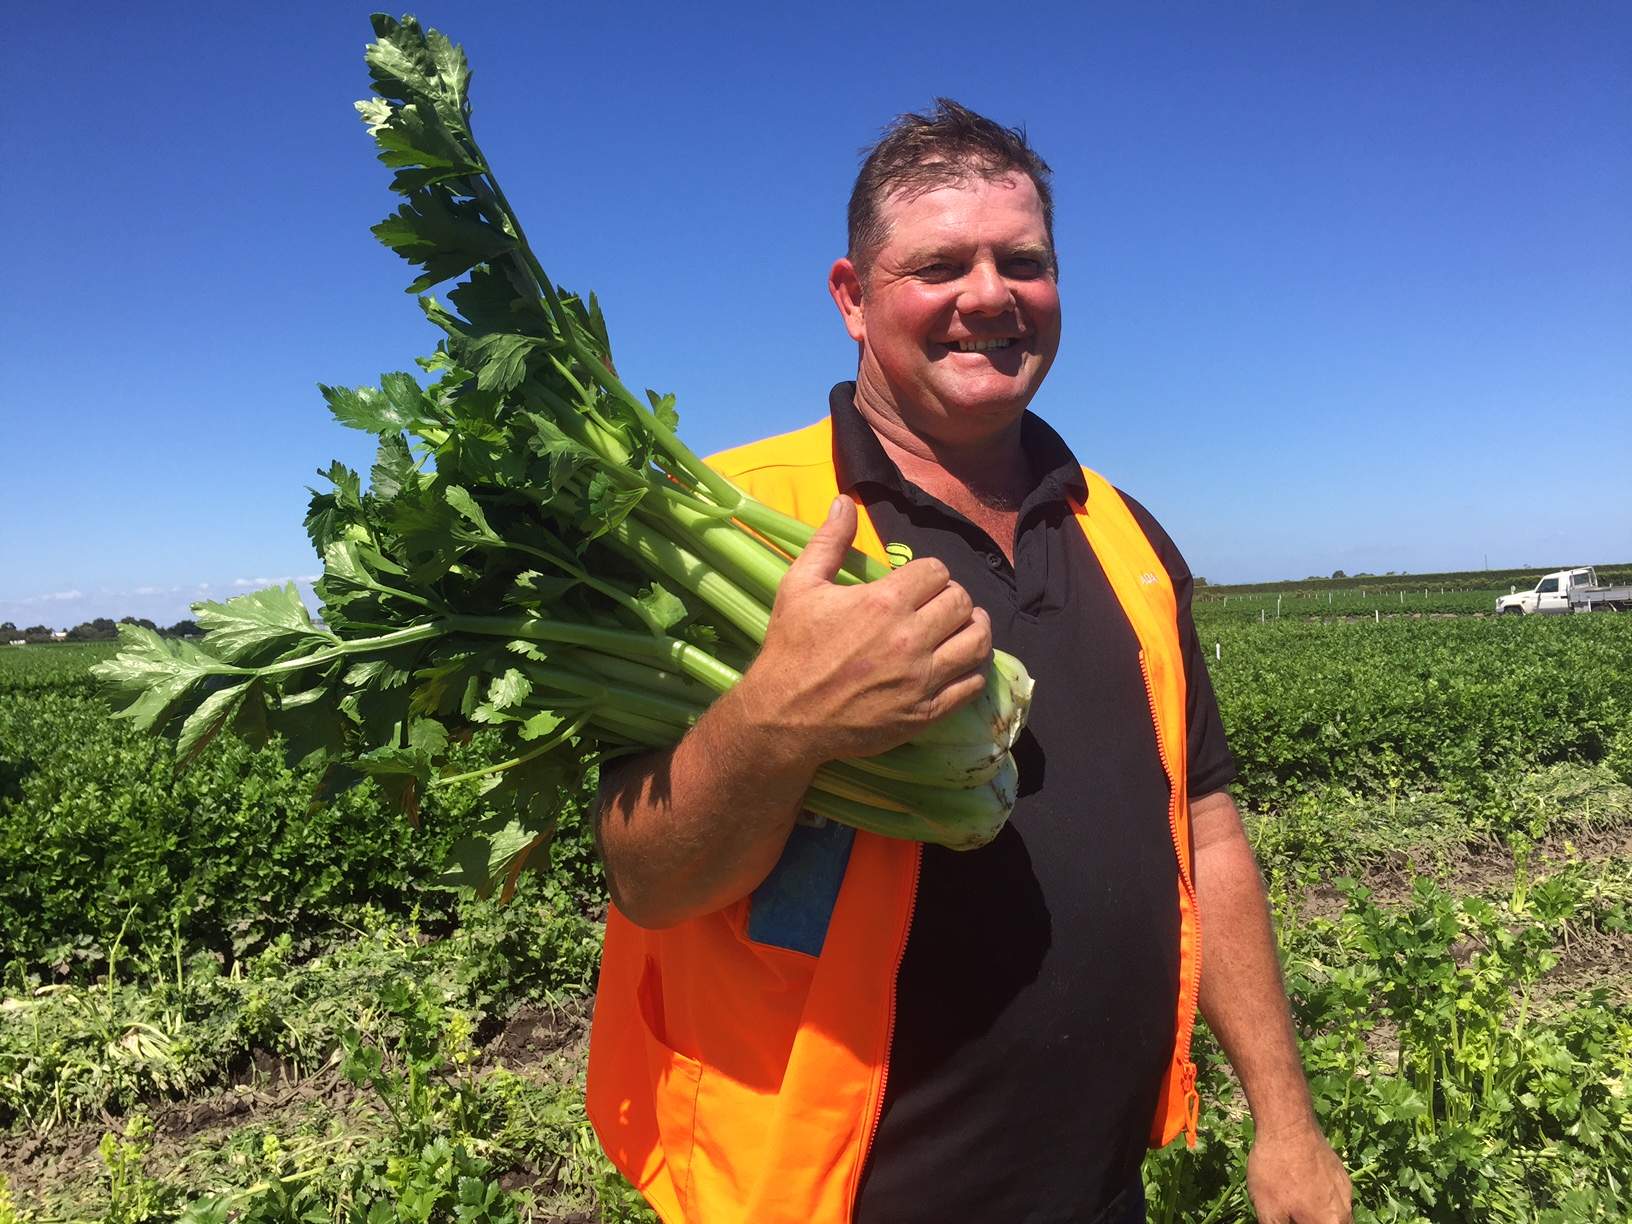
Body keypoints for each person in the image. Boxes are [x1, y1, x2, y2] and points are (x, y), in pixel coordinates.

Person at [585, 100, 1353, 1224]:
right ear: (852, 296)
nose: (990, 295)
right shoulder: (731, 524)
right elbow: (648, 879)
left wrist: (1286, 1118)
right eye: (940, 264)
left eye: (1023, 261)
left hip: (1095, 1191)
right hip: (826, 1199)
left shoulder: (1123, 536)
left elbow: (1208, 827)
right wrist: (779, 719)